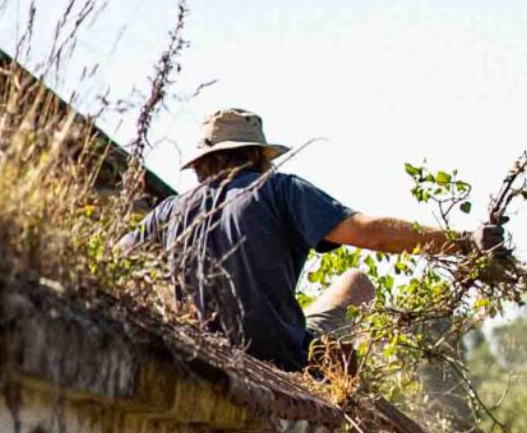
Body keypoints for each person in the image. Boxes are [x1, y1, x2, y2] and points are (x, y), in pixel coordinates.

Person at [124, 108, 502, 373]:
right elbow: (370, 234)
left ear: (202, 164)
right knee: (356, 282)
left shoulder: (169, 211)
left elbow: (116, 261)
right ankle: (335, 376)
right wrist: (465, 242)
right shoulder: (278, 190)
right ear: (259, 155)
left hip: (197, 350)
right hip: (280, 356)